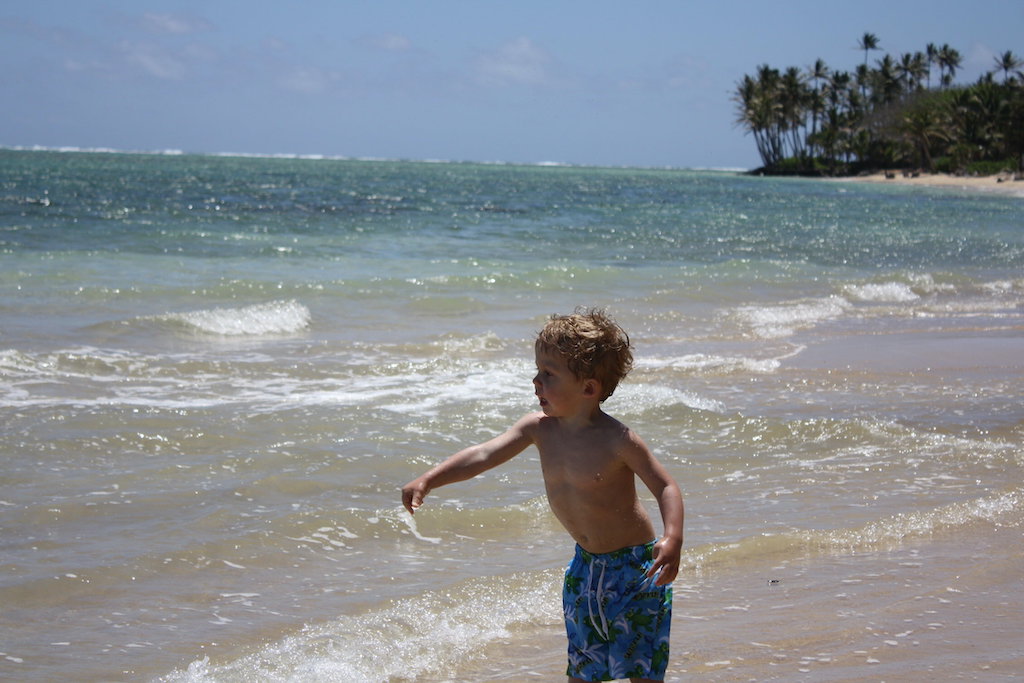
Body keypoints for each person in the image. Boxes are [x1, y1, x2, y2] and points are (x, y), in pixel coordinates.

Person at [401, 309, 684, 682]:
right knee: (582, 668)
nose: (536, 381)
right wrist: (429, 479)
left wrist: (673, 537)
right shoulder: (538, 429)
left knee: (642, 670)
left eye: (548, 374)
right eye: (537, 370)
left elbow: (665, 486)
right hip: (584, 569)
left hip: (635, 570)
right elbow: (483, 455)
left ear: (588, 388)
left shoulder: (618, 440)